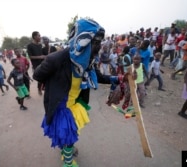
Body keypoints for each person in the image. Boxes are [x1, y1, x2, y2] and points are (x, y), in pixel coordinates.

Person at [33, 18, 118, 167]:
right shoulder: (56, 59)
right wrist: (52, 81)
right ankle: (68, 162)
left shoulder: (87, 60)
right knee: (69, 137)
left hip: (74, 103)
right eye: (95, 43)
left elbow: (98, 76)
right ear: (82, 40)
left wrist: (118, 78)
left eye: (99, 43)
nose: (98, 48)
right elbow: (37, 75)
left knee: (67, 135)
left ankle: (66, 150)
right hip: (61, 106)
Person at [27, 31, 46, 96]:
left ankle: (43, 87)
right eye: (39, 36)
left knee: (46, 76)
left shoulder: (40, 45)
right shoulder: (30, 46)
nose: (40, 37)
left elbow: (42, 54)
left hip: (43, 63)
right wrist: (40, 57)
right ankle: (39, 89)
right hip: (36, 65)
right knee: (40, 78)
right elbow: (30, 57)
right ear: (35, 37)